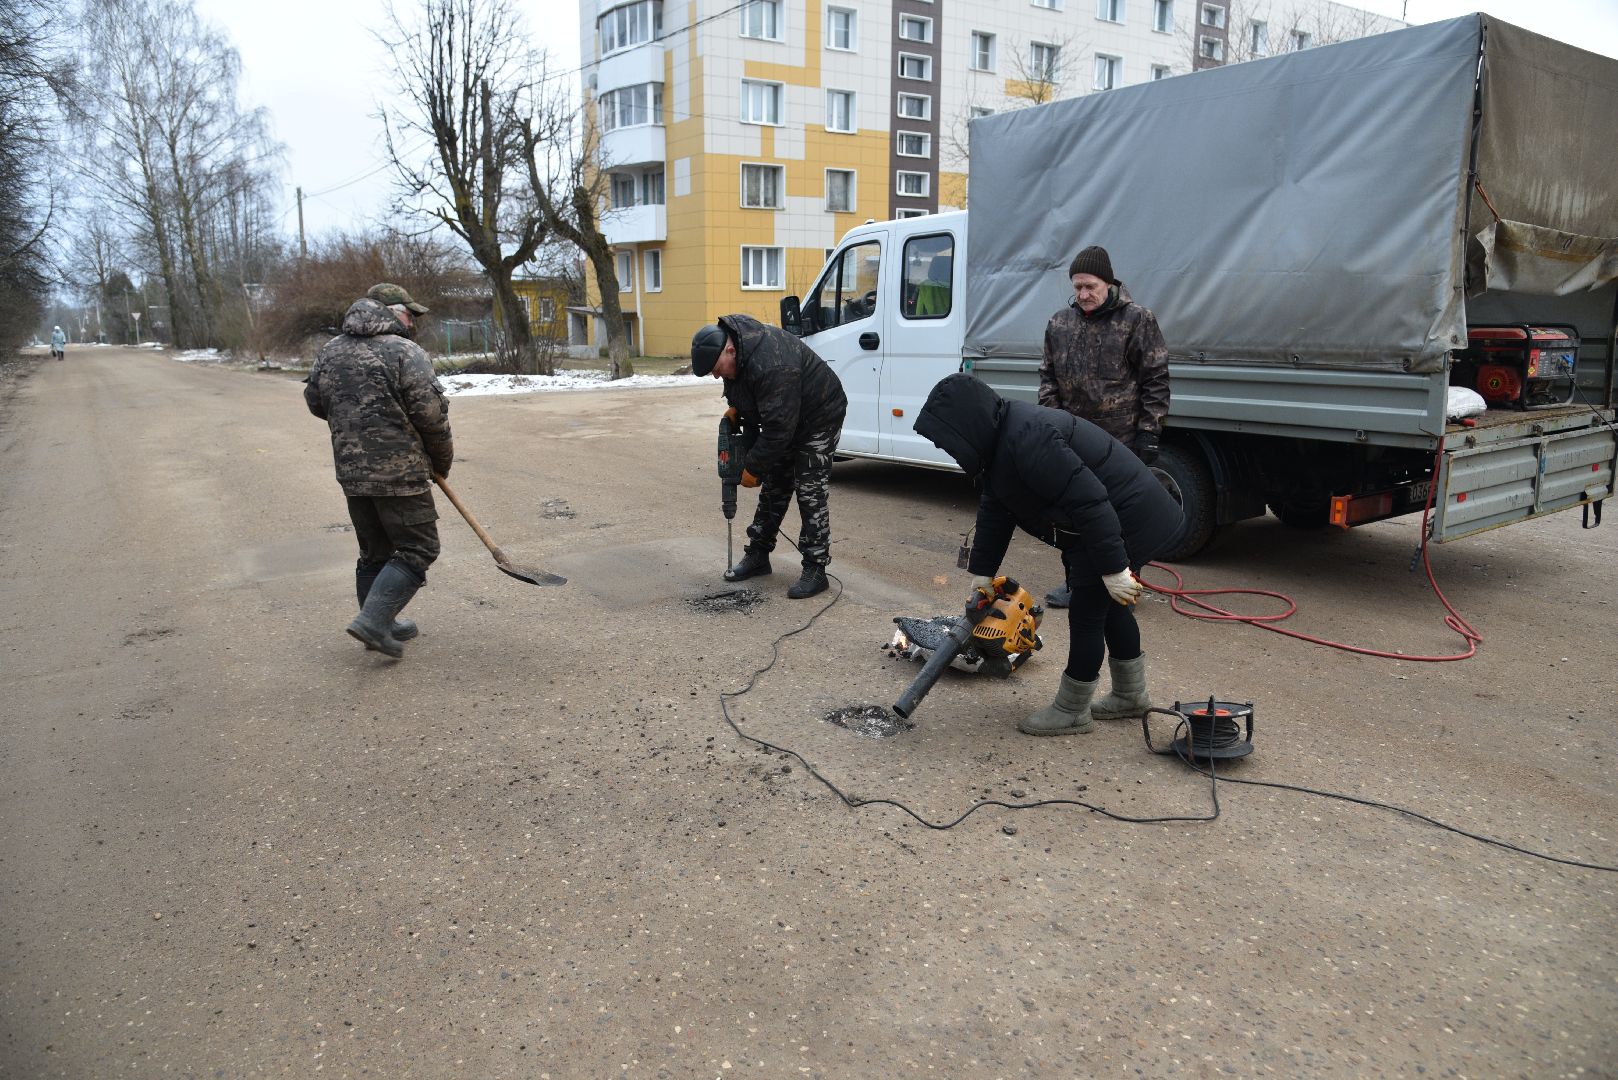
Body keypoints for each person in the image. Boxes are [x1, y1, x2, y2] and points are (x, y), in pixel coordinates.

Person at [914, 373, 1182, 736]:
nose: (945, 448)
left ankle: (1073, 710)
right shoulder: (999, 444)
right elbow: (996, 509)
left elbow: (1090, 501)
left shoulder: (1029, 439)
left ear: (966, 424)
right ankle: (1131, 695)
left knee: (1088, 611)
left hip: (1126, 520)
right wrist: (983, 572)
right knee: (1109, 609)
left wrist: (1115, 567)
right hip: (1107, 524)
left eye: (946, 440)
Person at [304, 282, 453, 658]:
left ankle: (379, 623)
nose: (413, 322)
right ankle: (373, 622)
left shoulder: (330, 351)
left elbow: (316, 403)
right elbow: (432, 417)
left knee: (375, 551)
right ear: (389, 310)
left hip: (352, 472)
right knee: (419, 548)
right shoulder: (405, 352)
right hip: (400, 474)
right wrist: (441, 462)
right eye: (409, 314)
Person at [1039, 245, 1170, 607]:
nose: (1082, 295)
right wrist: (1052, 424)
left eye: (1090, 286)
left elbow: (1155, 379)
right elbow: (1048, 378)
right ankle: (1078, 583)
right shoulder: (1059, 323)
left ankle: (1126, 582)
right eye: (1077, 287)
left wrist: (1149, 433)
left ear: (1108, 283)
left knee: (1120, 514)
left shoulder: (1137, 320)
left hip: (1121, 441)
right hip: (1072, 439)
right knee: (1074, 515)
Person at [691, 314, 848, 599]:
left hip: (819, 415)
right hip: (787, 414)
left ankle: (815, 568)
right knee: (777, 484)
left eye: (716, 369)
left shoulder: (772, 362)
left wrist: (753, 467)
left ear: (729, 350)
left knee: (808, 488)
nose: (716, 375)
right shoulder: (738, 357)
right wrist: (741, 410)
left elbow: (777, 428)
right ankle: (758, 555)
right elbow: (752, 394)